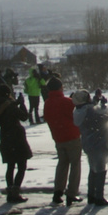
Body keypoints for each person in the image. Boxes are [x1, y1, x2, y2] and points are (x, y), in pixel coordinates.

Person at [76, 89, 108, 207]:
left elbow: (91, 111)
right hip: (99, 144)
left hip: (88, 143)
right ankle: (99, 197)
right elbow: (105, 118)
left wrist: (95, 102)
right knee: (101, 170)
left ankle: (91, 195)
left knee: (93, 169)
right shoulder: (90, 112)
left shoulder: (79, 111)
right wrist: (104, 106)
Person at [0, 84, 33, 204]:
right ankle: (15, 191)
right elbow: (24, 117)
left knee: (10, 166)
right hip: (16, 138)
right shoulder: (10, 105)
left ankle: (10, 191)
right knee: (21, 166)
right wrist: (22, 104)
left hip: (5, 137)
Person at [44, 76, 82, 207]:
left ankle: (58, 191)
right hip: (72, 136)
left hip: (58, 137)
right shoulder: (67, 102)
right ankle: (72, 193)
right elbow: (77, 116)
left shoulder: (47, 103)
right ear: (61, 87)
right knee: (75, 165)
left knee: (62, 164)